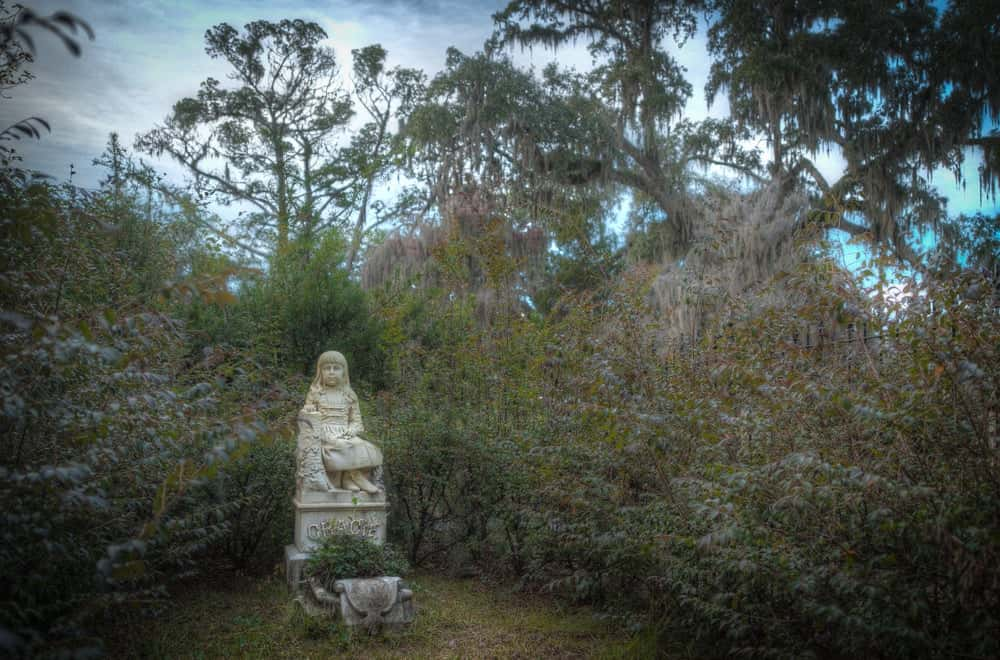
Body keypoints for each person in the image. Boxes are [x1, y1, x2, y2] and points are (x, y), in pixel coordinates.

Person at [297, 351, 382, 495]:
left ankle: (348, 479)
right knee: (344, 445)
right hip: (323, 433)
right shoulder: (316, 393)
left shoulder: (349, 395)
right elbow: (306, 414)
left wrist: (352, 430)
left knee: (367, 447)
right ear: (320, 371)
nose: (331, 372)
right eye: (327, 368)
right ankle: (356, 477)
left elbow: (357, 422)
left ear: (344, 372)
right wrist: (309, 408)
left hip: (345, 432)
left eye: (336, 368)